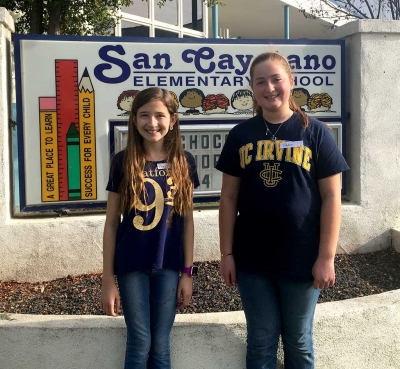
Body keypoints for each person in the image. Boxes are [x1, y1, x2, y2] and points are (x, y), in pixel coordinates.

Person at [216, 51, 349, 369]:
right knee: (261, 341)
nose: (270, 87)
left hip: (302, 259)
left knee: (298, 341)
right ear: (252, 88)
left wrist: (326, 257)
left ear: (291, 82)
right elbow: (228, 200)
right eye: (260, 81)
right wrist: (226, 254)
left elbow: (332, 198)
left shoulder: (316, 133)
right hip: (252, 261)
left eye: (276, 79)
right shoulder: (241, 135)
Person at [101, 87, 200, 369]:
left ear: (173, 119)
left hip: (168, 266)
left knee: (160, 344)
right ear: (133, 119)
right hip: (132, 265)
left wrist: (187, 272)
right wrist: (108, 279)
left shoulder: (184, 162)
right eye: (144, 115)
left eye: (159, 115)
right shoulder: (123, 161)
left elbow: (188, 221)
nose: (152, 122)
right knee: (140, 341)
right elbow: (111, 223)